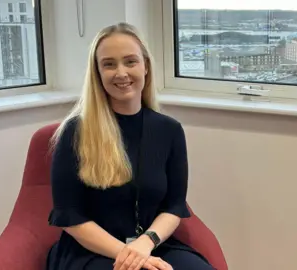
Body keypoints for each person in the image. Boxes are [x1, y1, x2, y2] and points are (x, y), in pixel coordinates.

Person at [46, 22, 214, 270]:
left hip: (151, 244)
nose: (121, 72)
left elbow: (174, 206)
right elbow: (70, 216)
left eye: (130, 61)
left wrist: (146, 243)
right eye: (109, 64)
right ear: (98, 73)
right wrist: (130, 254)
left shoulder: (170, 130)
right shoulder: (74, 132)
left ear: (145, 66)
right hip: (91, 251)